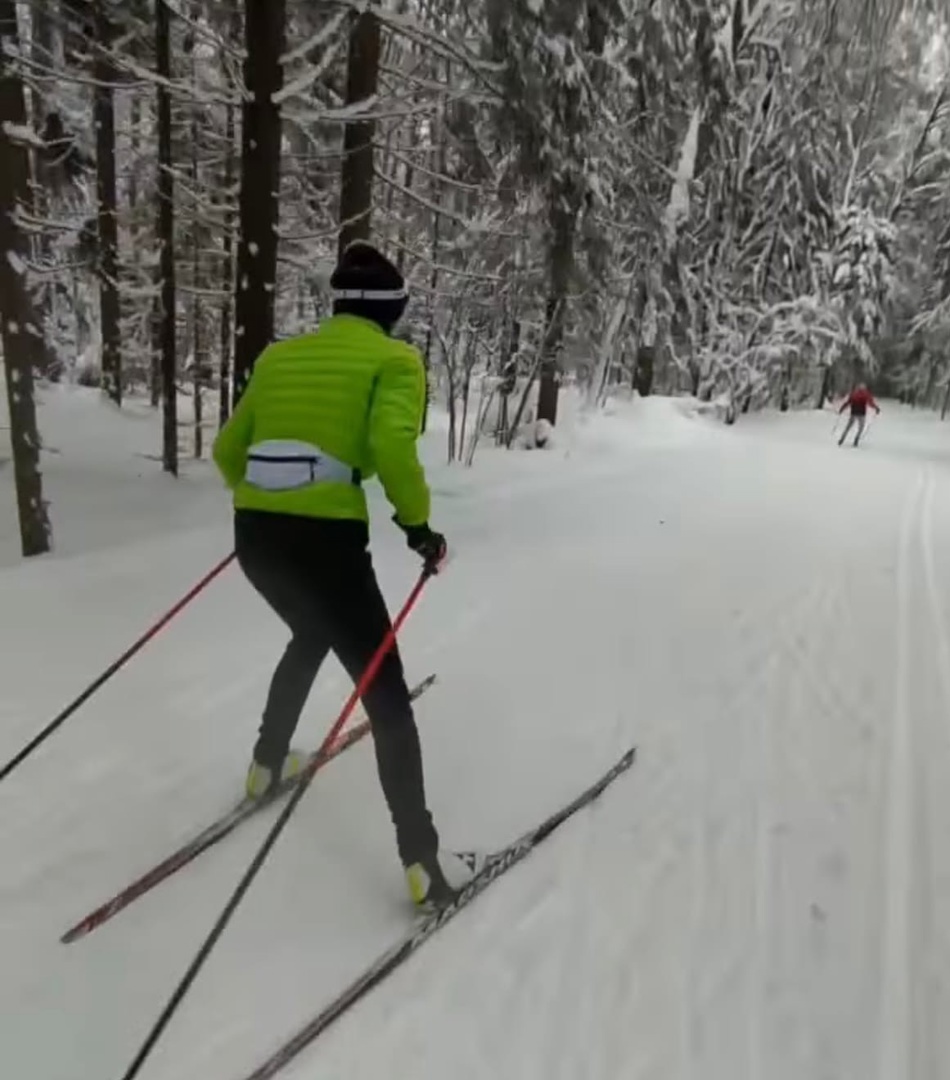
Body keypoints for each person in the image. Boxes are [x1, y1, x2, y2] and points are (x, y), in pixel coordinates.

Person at [212, 240, 472, 910]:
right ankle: (423, 865)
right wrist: (420, 530)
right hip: (325, 542)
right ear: (392, 310)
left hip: (254, 534)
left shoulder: (279, 357)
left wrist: (269, 499)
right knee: (386, 695)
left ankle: (265, 766)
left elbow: (227, 450)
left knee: (310, 632)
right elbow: (389, 445)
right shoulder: (395, 360)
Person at [837, 383, 880, 447]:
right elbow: (870, 403)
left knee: (848, 427)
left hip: (853, 412)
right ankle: (856, 439)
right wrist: (876, 408)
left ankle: (842, 439)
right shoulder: (866, 394)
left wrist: (842, 408)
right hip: (861, 413)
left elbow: (848, 402)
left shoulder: (854, 393)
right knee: (861, 427)